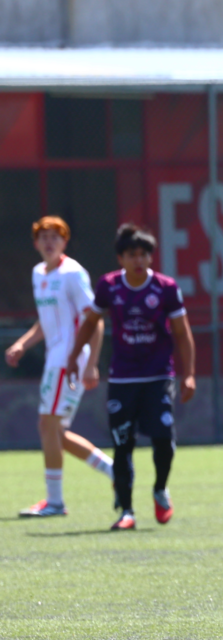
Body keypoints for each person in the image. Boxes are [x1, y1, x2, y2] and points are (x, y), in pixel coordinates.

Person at [66, 223, 196, 531]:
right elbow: (90, 322)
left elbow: (182, 333)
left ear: (150, 258)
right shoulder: (109, 287)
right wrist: (74, 356)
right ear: (121, 258)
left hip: (158, 375)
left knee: (164, 439)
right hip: (123, 378)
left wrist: (188, 375)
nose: (138, 260)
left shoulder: (165, 288)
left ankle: (160, 489)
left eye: (143, 255)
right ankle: (126, 511)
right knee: (122, 444)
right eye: (131, 255)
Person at [6, 216, 114, 517]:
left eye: (56, 236)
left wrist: (91, 364)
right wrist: (23, 344)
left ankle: (55, 503)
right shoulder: (39, 273)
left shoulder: (72, 273)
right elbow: (45, 320)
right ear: (36, 243)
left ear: (65, 242)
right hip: (56, 358)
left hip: (71, 359)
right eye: (44, 237)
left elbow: (95, 320)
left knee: (47, 426)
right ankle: (115, 472)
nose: (49, 242)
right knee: (57, 432)